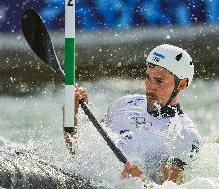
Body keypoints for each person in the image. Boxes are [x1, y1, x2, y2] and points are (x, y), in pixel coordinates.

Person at [63, 44, 202, 184]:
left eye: (159, 81)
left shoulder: (185, 134)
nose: (150, 86)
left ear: (182, 84)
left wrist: (141, 184)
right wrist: (71, 116)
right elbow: (79, 154)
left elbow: (167, 186)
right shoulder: (122, 105)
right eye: (148, 77)